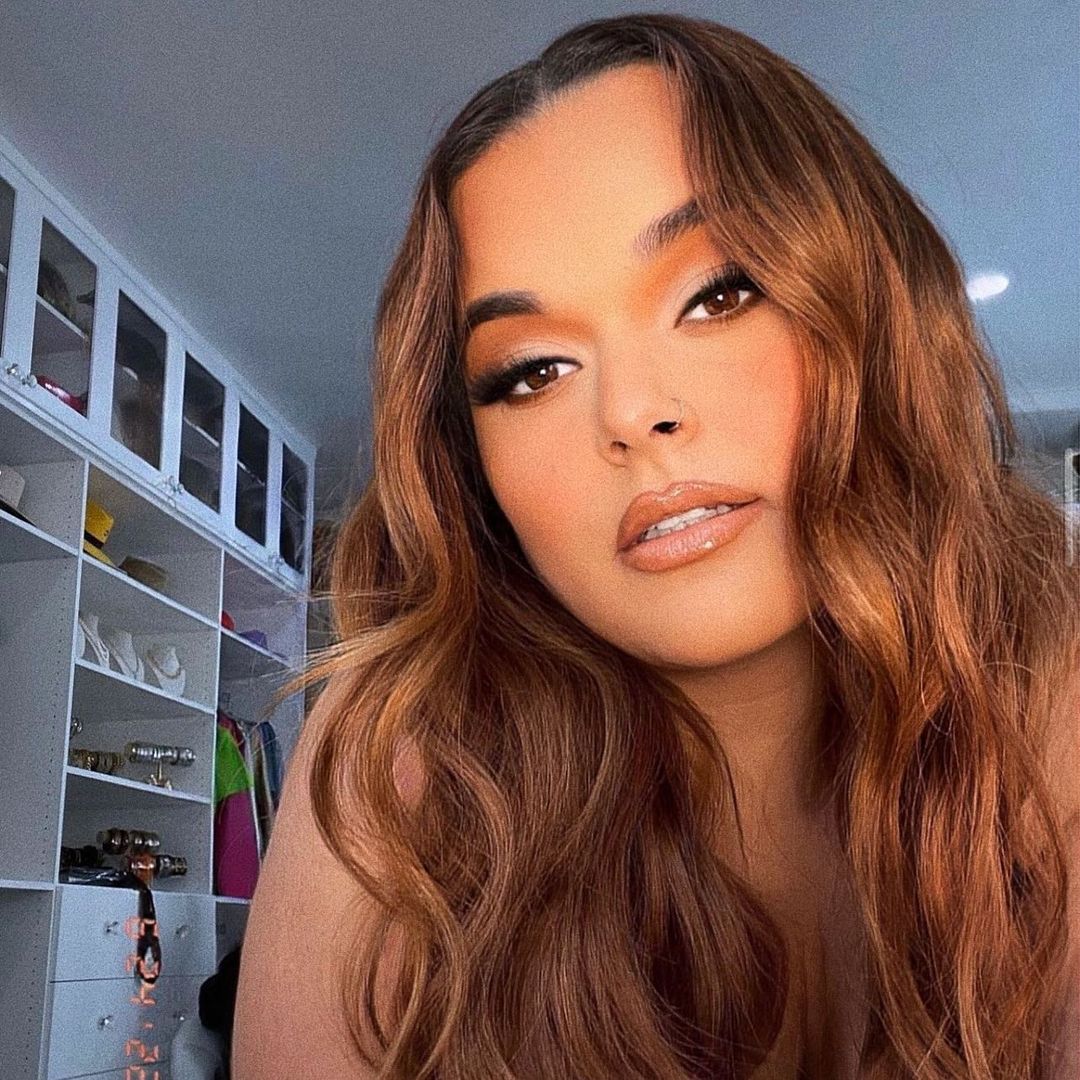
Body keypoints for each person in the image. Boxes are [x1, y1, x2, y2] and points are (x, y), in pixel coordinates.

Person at [232, 13, 1080, 1079]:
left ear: (870, 308)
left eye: (718, 293)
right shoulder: (404, 767)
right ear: (472, 468)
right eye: (533, 372)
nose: (633, 414)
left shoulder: (1047, 684)